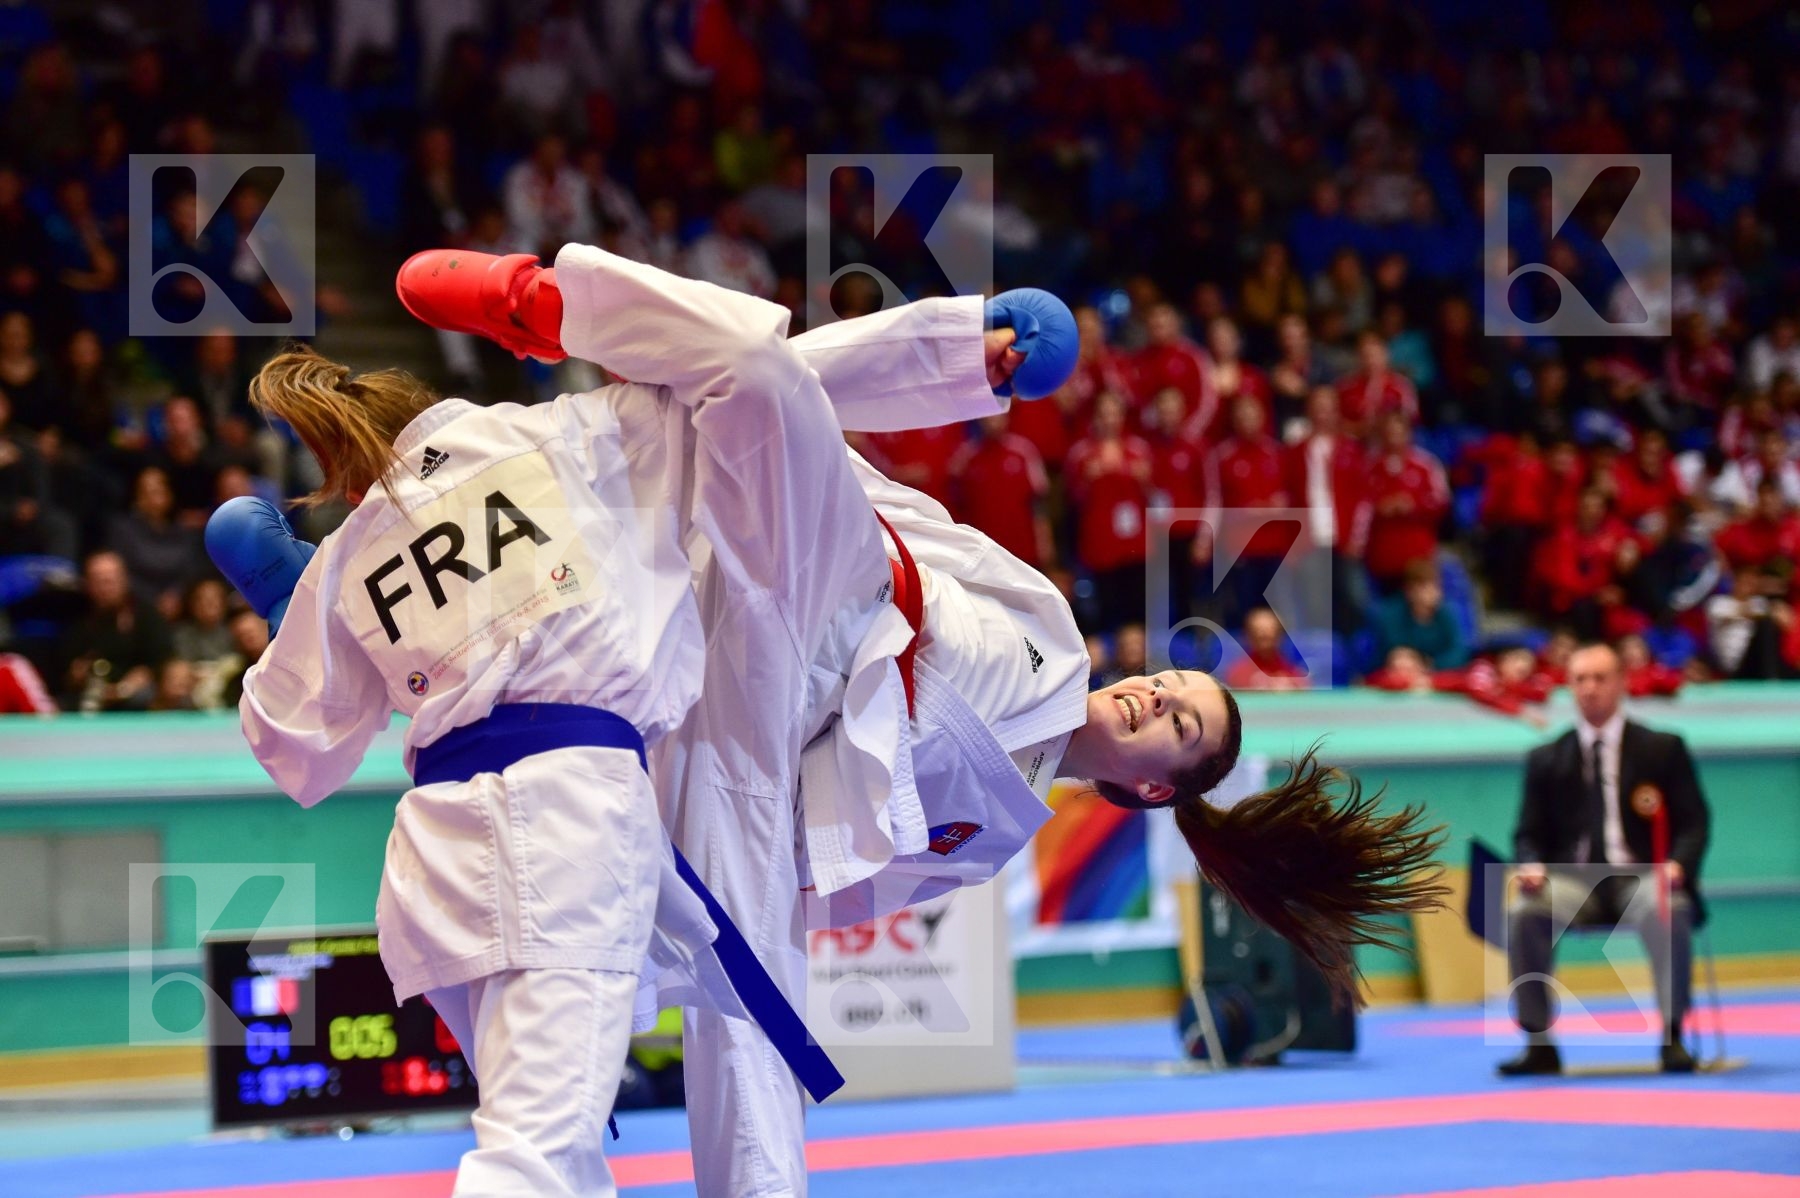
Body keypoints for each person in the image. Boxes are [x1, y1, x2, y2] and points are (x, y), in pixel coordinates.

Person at [407, 248, 1447, 1197]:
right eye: (1174, 684)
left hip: (751, 750)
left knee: (755, 1027)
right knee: (758, 374)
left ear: (1148, 787)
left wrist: (720, 872)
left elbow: (835, 878)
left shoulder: (990, 835)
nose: (1157, 696)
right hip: (832, 579)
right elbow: (916, 522)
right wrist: (955, 365)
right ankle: (545, 306)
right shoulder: (1050, 625)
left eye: (1178, 727)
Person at [216, 244, 900, 1197]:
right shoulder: (564, 433)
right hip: (566, 820)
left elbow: (288, 744)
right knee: (537, 1154)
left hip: (435, 864)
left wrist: (290, 610)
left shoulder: (350, 553)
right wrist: (546, 303)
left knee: (553, 1148)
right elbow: (760, 367)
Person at [1500, 642, 1710, 1076]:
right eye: (1580, 679)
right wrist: (1530, 864)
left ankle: (1673, 1036)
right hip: (1573, 881)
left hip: (1642, 875)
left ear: (1621, 684)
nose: (1590, 688)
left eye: (1600, 678)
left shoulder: (1662, 749)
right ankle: (1538, 1043)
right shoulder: (1546, 758)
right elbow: (1526, 834)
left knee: (1669, 906)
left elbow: (1694, 822)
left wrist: (1678, 865)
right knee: (1524, 912)